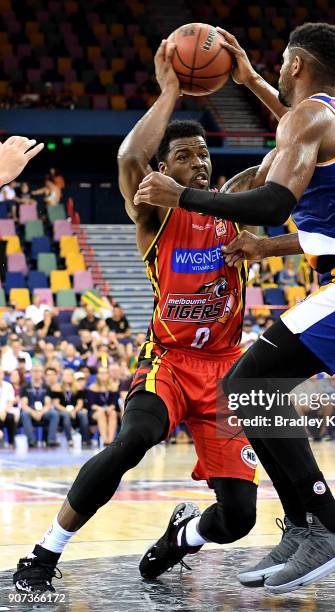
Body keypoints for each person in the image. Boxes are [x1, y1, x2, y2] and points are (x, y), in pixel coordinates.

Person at [134, 23, 335, 593]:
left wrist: (182, 195)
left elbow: (272, 203)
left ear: (294, 63)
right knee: (251, 390)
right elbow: (300, 150)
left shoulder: (305, 120)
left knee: (246, 386)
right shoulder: (330, 116)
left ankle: (331, 525)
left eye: (279, 65)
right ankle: (304, 525)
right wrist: (249, 79)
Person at [14, 41, 265, 593]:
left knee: (240, 518)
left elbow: (296, 145)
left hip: (226, 369)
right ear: (164, 168)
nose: (199, 162)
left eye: (203, 153)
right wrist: (171, 91)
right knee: (133, 440)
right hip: (169, 361)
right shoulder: (155, 211)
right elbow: (129, 159)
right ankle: (43, 552)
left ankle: (183, 538)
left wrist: (248, 80)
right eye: (184, 155)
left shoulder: (238, 197)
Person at [19, 364, 59, 448]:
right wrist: (34, 413)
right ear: (31, 373)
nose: (37, 373)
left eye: (39, 371)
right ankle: (32, 441)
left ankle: (51, 440)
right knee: (24, 414)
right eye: (35, 371)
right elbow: (24, 405)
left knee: (54, 413)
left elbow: (48, 404)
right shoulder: (25, 387)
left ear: (42, 373)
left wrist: (40, 413)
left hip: (43, 412)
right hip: (30, 411)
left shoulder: (46, 387)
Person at [51, 368, 90, 447]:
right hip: (62, 410)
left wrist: (74, 411)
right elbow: (56, 404)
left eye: (70, 375)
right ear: (63, 377)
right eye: (66, 375)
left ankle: (85, 440)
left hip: (75, 410)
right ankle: (69, 439)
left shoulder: (78, 388)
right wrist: (67, 411)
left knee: (83, 415)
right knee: (66, 416)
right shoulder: (57, 387)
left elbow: (80, 403)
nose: (68, 377)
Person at [0, 368, 17, 447]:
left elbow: (11, 401)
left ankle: (11, 442)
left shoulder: (8, 386)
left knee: (10, 417)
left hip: (5, 411)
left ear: (3, 374)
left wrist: (5, 411)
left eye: (0, 373)